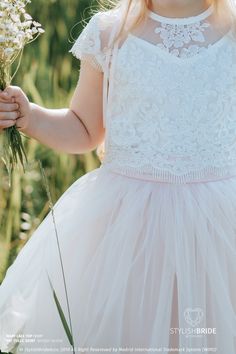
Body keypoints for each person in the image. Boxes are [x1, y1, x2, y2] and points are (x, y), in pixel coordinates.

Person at [0, 0, 236, 353]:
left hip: (217, 222)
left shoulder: (231, 31)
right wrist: (29, 116)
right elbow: (84, 128)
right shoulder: (110, 33)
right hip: (128, 226)